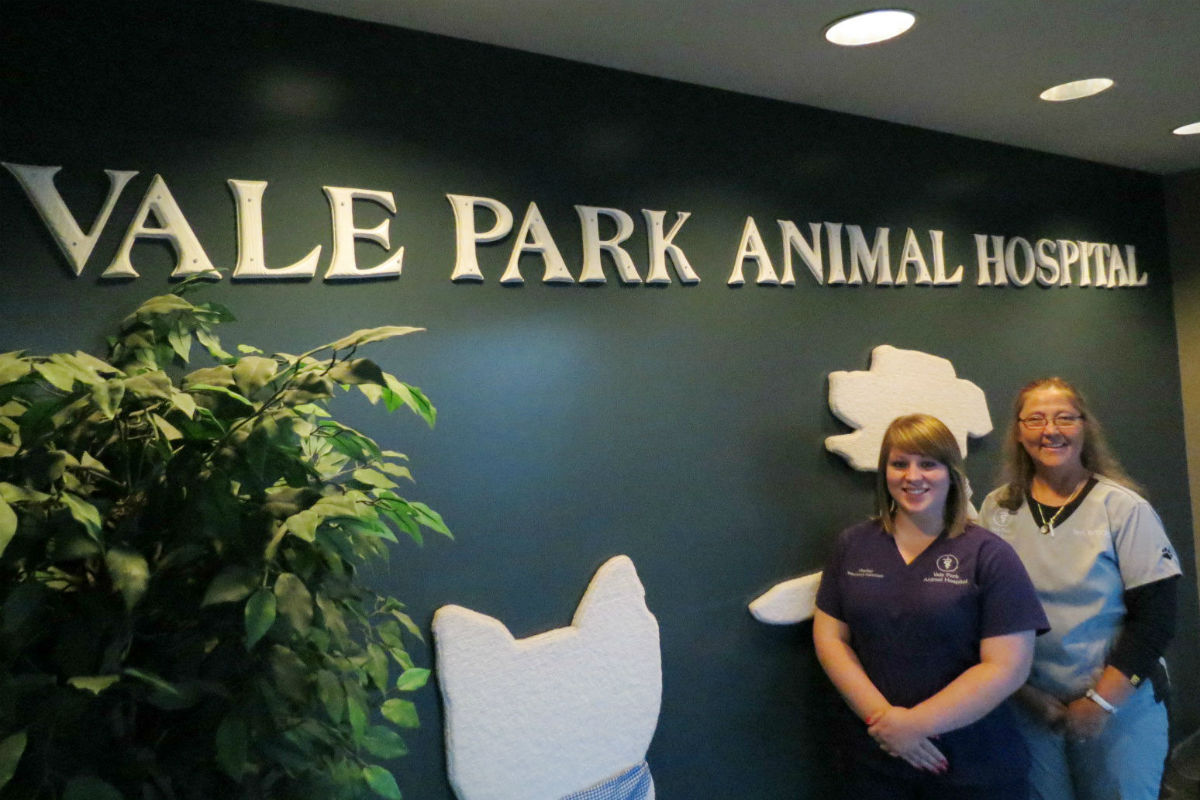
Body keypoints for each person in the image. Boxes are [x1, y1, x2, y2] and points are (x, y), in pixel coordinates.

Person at [814, 413, 1049, 799]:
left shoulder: (989, 555)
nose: (913, 475)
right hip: (876, 758)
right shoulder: (853, 545)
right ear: (884, 472)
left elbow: (1008, 666)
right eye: (899, 463)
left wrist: (915, 726)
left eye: (928, 463)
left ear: (950, 472)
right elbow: (830, 637)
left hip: (973, 764)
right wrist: (886, 722)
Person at [979, 378, 1181, 800]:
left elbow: (1156, 617)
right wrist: (1027, 695)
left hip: (1119, 702)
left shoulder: (1123, 508)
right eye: (1034, 419)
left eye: (1064, 418)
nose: (1049, 429)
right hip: (1032, 706)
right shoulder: (997, 509)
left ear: (1083, 427)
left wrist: (1100, 703)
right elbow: (986, 610)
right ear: (1018, 431)